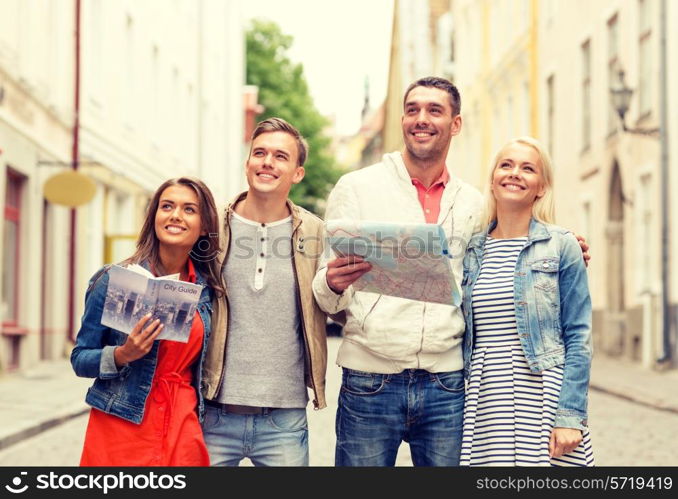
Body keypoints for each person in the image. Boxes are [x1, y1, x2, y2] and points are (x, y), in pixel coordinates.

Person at [312, 77, 482, 466]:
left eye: (434, 110)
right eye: (412, 110)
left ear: (455, 124)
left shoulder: (472, 201)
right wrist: (332, 283)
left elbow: (502, 250)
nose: (421, 119)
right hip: (369, 379)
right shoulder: (356, 187)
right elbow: (323, 289)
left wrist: (563, 244)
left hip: (447, 381)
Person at [459, 137, 594, 466]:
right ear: (492, 180)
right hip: (485, 396)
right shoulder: (469, 250)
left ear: (542, 187)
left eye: (527, 168)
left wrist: (569, 416)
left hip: (544, 393)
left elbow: (579, 336)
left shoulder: (562, 246)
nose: (514, 173)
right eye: (506, 165)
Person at [201, 117, 327, 467]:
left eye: (280, 156)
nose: (268, 162)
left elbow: (333, 305)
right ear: (248, 164)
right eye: (260, 153)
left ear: (297, 173)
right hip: (213, 411)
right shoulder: (213, 227)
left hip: (283, 418)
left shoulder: (315, 231)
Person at [71, 177, 223, 466]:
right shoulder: (113, 280)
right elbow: (80, 358)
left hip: (183, 423)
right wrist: (122, 355)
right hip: (122, 422)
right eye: (167, 206)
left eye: (189, 209)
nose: (176, 215)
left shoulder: (209, 290)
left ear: (204, 226)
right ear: (154, 216)